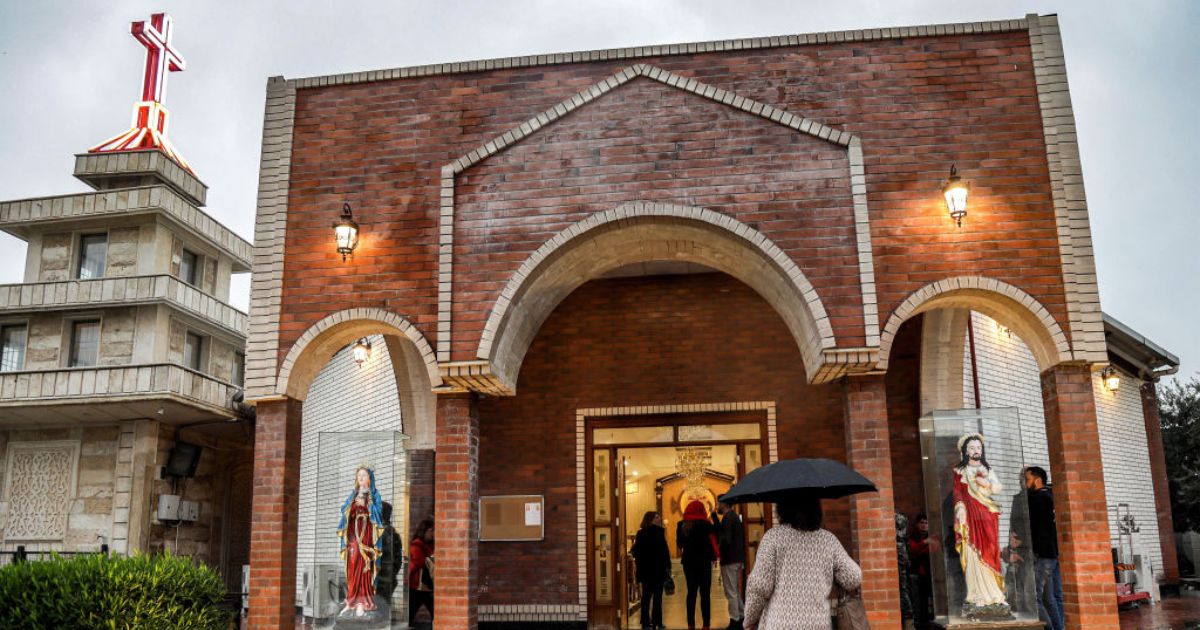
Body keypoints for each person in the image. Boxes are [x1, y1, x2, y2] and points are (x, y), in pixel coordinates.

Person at [743, 496, 861, 630]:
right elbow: (853, 578)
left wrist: (750, 620)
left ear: (782, 509)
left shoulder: (773, 538)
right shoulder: (828, 540)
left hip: (780, 623)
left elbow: (759, 586)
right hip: (818, 624)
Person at [952, 433, 1008, 616]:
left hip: (987, 515)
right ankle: (977, 595)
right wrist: (960, 509)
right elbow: (957, 493)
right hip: (970, 515)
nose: (976, 451)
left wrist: (987, 483)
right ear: (966, 451)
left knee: (990, 549)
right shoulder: (960, 471)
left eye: (978, 448)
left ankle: (994, 594)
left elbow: (998, 487)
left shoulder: (987, 469)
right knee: (972, 552)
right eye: (972, 448)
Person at [337, 466, 385, 617]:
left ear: (370, 478)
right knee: (353, 564)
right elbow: (344, 511)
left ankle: (363, 602)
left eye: (364, 475)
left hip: (367, 535)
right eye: (359, 476)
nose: (361, 478)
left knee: (365, 566)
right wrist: (353, 505)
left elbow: (378, 513)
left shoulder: (375, 495)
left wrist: (366, 502)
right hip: (353, 536)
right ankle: (351, 601)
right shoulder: (353, 495)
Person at [1024, 466, 1064, 630]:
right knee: (1053, 597)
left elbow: (1035, 528)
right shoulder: (1050, 497)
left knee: (1037, 598)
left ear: (1037, 480)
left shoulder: (1037, 499)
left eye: (1027, 479)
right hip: (1052, 553)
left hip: (1044, 554)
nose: (1025, 483)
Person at [679, 499, 719, 630]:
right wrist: (713, 514)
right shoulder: (705, 524)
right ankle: (706, 625)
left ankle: (691, 624)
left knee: (691, 593)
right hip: (704, 563)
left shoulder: (681, 525)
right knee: (705, 594)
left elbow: (679, 544)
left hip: (689, 563)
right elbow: (718, 530)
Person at [632, 511, 671, 629]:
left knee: (647, 597)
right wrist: (668, 567)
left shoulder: (640, 533)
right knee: (656, 597)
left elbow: (637, 552)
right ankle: (656, 621)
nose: (659, 519)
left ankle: (645, 622)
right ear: (651, 519)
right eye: (657, 517)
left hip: (647, 570)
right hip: (656, 569)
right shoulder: (659, 532)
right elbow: (665, 551)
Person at [715, 501, 746, 630]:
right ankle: (742, 615)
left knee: (730, 592)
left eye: (718, 503)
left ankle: (735, 620)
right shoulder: (734, 517)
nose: (717, 506)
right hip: (737, 558)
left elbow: (726, 538)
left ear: (724, 504)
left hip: (729, 559)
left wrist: (718, 543)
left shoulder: (728, 518)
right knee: (735, 590)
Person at [907, 513, 933, 628]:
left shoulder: (932, 536)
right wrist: (924, 543)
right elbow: (911, 551)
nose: (924, 525)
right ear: (917, 524)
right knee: (918, 601)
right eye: (921, 523)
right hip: (916, 574)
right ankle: (920, 624)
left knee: (930, 599)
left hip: (931, 573)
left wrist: (921, 547)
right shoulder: (912, 537)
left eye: (926, 523)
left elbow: (933, 550)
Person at [408, 518, 435, 627]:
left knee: (435, 611)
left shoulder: (431, 544)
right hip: (418, 585)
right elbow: (420, 562)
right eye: (431, 530)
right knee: (411, 611)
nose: (433, 534)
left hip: (427, 585)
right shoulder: (416, 545)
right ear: (425, 531)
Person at [1001, 531, 1029, 612]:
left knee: (1019, 591)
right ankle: (1011, 606)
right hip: (1010, 575)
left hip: (1021, 576)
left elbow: (1030, 562)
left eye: (1015, 539)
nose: (1013, 541)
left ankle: (1020, 607)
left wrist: (1019, 558)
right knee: (1009, 590)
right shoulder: (1008, 549)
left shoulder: (1025, 550)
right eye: (1011, 539)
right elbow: (1004, 559)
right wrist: (1005, 555)